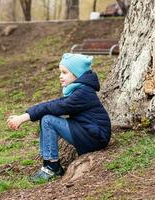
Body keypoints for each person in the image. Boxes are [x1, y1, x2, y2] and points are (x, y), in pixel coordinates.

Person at [6, 53, 111, 182]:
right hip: (88, 131)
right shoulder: (80, 90)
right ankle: (48, 165)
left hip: (95, 137)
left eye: (64, 72)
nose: (60, 76)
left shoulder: (83, 93)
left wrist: (23, 117)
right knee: (47, 118)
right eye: (60, 72)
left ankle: (52, 167)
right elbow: (55, 106)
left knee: (48, 120)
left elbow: (56, 106)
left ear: (77, 74)